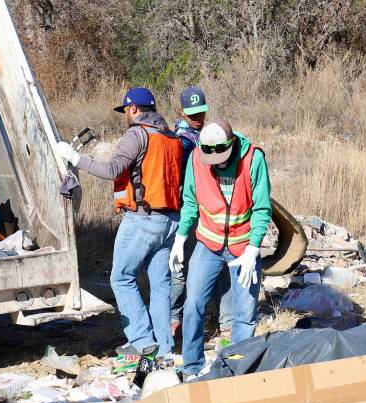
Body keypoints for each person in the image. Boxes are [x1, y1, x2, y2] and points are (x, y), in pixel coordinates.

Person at [54, 87, 183, 357]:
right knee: (159, 285)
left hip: (143, 219)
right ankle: (164, 347)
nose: (125, 114)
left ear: (134, 109)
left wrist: (76, 158)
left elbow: (112, 169)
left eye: (125, 109)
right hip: (170, 220)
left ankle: (140, 340)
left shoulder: (137, 133)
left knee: (122, 278)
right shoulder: (171, 137)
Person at [171, 120, 271, 375]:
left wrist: (253, 248)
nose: (215, 162)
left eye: (221, 156)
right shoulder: (196, 158)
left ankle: (237, 369)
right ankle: (192, 366)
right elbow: (191, 201)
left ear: (231, 146)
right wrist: (181, 238)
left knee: (245, 312)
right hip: (208, 242)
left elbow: (261, 208)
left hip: (242, 245)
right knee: (193, 303)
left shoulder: (252, 159)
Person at [169, 86, 232, 344]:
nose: (197, 117)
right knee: (183, 268)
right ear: (182, 112)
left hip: (211, 210)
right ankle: (176, 321)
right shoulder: (180, 142)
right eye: (192, 113)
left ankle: (223, 322)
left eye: (200, 112)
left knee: (218, 264)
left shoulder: (210, 135)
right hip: (189, 210)